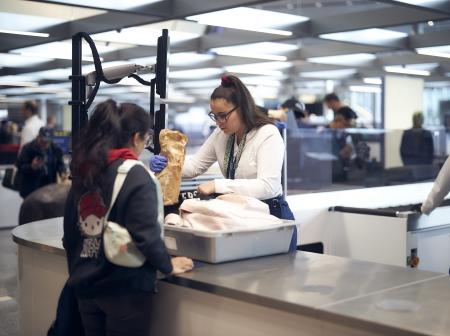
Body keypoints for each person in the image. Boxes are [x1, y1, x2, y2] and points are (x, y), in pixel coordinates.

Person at [63, 100, 193, 336]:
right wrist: (167, 265)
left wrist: (79, 270)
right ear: (136, 137)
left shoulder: (86, 169)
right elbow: (147, 235)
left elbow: (70, 232)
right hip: (124, 290)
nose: (145, 145)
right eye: (146, 139)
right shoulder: (136, 175)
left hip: (85, 287)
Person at [150, 74, 297, 250]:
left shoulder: (267, 134)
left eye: (223, 115)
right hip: (240, 214)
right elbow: (195, 167)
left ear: (242, 108)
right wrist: (168, 165)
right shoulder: (221, 135)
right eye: (214, 116)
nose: (219, 122)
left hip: (271, 216)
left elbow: (268, 186)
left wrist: (217, 185)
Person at [16, 127, 67, 198]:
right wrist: (32, 166)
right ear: (38, 137)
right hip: (31, 189)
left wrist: (62, 172)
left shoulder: (55, 149)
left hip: (49, 187)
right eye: (43, 141)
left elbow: (60, 164)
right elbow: (20, 167)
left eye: (47, 141)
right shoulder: (28, 148)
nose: (45, 143)